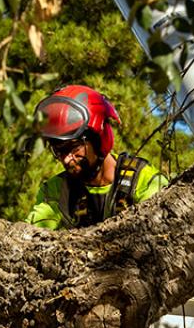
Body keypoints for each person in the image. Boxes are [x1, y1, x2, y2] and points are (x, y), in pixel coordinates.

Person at [26, 85, 167, 229]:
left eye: (74, 148)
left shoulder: (142, 179)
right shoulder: (57, 190)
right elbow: (31, 235)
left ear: (99, 139)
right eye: (59, 151)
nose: (66, 159)